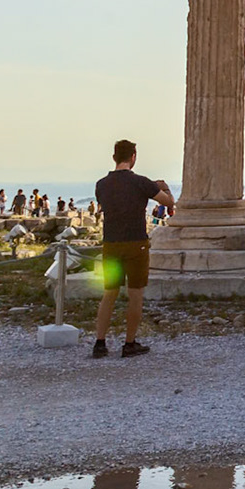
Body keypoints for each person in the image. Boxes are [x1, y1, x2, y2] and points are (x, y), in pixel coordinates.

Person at [91, 139, 174, 359]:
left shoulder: (101, 184)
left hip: (111, 242)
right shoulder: (141, 183)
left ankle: (100, 342)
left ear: (114, 157)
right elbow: (168, 202)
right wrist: (163, 187)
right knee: (135, 294)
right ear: (134, 157)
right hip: (135, 243)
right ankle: (129, 343)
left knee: (109, 293)